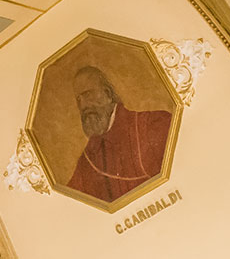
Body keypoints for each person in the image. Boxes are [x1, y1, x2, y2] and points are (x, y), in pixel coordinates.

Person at [65, 67, 171, 203]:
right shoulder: (87, 161)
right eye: (79, 100)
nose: (83, 105)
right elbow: (71, 206)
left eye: (88, 95)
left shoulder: (151, 125)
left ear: (108, 94)